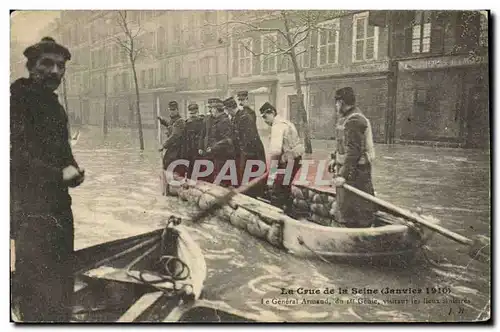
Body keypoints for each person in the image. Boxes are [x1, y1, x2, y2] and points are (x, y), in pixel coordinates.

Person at [10, 37, 85, 322]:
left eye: (61, 66)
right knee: (35, 283)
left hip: (58, 206)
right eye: (47, 64)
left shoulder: (56, 108)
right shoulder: (16, 101)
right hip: (28, 206)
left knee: (62, 277)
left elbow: (64, 154)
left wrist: (74, 171)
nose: (55, 71)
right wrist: (58, 174)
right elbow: (15, 158)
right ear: (31, 67)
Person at [330, 87, 376, 228]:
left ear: (342, 102)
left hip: (357, 171)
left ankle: (362, 233)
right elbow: (343, 143)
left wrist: (343, 174)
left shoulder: (354, 120)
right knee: (347, 205)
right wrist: (334, 158)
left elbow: (354, 152)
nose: (336, 106)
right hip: (350, 168)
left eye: (337, 103)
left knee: (359, 207)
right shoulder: (347, 118)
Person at [260, 102, 304, 213]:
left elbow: (275, 153)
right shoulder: (286, 122)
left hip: (288, 161)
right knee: (285, 186)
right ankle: (289, 211)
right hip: (295, 159)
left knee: (277, 189)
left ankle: (275, 215)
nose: (265, 121)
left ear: (272, 113)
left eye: (265, 117)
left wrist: (272, 174)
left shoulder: (277, 126)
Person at [223, 96, 266, 197]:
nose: (228, 113)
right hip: (244, 152)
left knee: (251, 177)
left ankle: (253, 197)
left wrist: (244, 154)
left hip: (252, 153)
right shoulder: (237, 117)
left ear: (230, 109)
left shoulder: (244, 117)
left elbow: (249, 139)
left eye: (228, 111)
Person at [198, 98, 234, 186]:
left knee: (220, 178)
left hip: (221, 154)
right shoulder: (215, 119)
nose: (211, 110)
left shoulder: (223, 121)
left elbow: (227, 140)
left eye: (212, 108)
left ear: (216, 109)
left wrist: (213, 148)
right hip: (215, 152)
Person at [159, 101, 186, 177]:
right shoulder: (173, 120)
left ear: (177, 110)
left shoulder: (180, 121)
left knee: (171, 167)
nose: (172, 112)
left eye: (173, 110)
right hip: (172, 149)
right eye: (170, 110)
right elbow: (171, 127)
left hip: (177, 150)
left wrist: (164, 145)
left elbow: (175, 135)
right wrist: (164, 122)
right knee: (167, 166)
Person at [182, 103, 205, 179]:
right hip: (191, 150)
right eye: (191, 113)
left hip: (197, 150)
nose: (192, 115)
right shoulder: (188, 123)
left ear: (197, 112)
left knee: (195, 170)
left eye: (194, 113)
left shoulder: (202, 122)